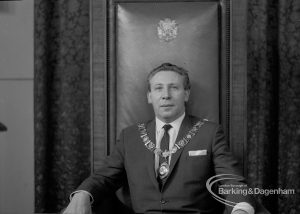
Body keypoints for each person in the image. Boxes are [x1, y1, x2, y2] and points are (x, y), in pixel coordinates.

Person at [63, 63, 256, 214]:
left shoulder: (209, 133)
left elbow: (231, 181)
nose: (165, 95)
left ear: (186, 94)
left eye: (174, 88)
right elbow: (104, 177)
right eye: (158, 88)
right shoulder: (130, 136)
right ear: (149, 96)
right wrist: (82, 194)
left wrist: (240, 209)